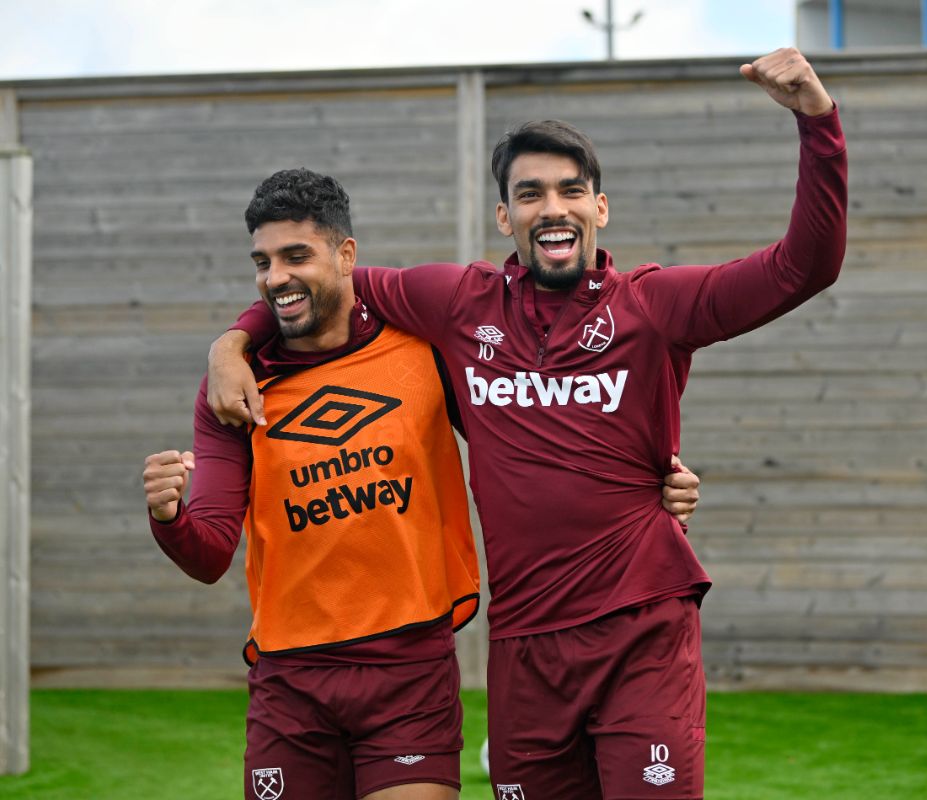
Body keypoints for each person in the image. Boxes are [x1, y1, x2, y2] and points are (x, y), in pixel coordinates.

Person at [208, 48, 845, 800]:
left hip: (639, 625)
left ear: (599, 209)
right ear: (506, 215)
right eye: (531, 193)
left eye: (572, 191)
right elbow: (317, 285)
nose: (554, 208)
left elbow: (802, 268)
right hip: (522, 646)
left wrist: (817, 122)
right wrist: (233, 342)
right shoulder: (456, 302)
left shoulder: (653, 305)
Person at [144, 170, 702, 800]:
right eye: (263, 262)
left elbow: (535, 437)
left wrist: (648, 482)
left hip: (410, 672)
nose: (276, 277)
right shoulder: (237, 385)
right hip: (289, 680)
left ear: (346, 255)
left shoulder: (425, 350)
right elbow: (212, 552)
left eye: (296, 256)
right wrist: (170, 518)